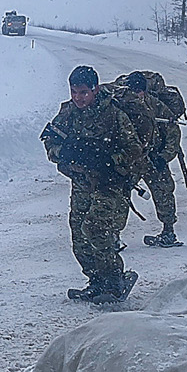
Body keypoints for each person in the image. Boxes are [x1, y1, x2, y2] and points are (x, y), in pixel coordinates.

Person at [41, 65, 147, 300]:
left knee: (96, 228)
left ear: (95, 89)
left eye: (83, 92)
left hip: (110, 185)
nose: (78, 98)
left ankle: (113, 279)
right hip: (81, 184)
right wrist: (65, 152)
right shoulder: (68, 113)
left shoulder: (113, 115)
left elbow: (135, 151)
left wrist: (106, 159)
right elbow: (49, 140)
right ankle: (96, 281)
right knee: (79, 235)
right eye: (74, 92)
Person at [112, 71, 183, 247]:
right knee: (119, 194)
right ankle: (113, 235)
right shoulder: (121, 106)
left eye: (139, 90)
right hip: (130, 160)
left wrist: (164, 157)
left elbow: (173, 132)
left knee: (164, 191)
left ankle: (168, 231)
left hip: (152, 158)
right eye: (133, 90)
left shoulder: (155, 106)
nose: (136, 94)